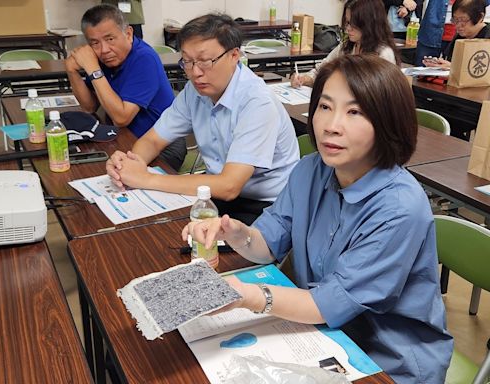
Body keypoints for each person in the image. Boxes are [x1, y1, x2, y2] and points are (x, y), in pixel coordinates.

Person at [184, 55, 453, 383]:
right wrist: (232, 231)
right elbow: (267, 243)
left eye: (354, 112)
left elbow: (329, 303)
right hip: (320, 332)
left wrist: (249, 295)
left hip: (388, 357)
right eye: (325, 107)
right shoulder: (311, 170)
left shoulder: (399, 208)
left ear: (387, 121)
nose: (331, 125)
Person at [106, 14, 299, 225]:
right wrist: (131, 164)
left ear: (234, 55)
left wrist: (146, 178)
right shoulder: (194, 91)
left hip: (268, 206)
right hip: (215, 192)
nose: (195, 73)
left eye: (205, 61)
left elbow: (229, 186)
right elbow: (152, 140)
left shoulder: (257, 102)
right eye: (187, 61)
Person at [65, 4, 186, 171]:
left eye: (110, 39)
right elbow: (89, 107)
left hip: (162, 146)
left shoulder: (144, 58)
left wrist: (93, 69)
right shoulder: (103, 59)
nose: (104, 50)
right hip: (123, 139)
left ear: (128, 34)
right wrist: (72, 71)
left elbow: (121, 118)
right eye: (95, 43)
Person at [291, 0, 399, 88]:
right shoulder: (347, 47)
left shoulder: (383, 53)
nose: (348, 28)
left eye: (354, 24)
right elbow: (323, 69)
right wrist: (304, 79)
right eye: (347, 22)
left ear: (369, 24)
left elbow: (382, 94)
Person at [416, 0, 490, 65]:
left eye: (463, 20)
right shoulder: (458, 38)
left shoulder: (487, 38)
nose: (458, 25)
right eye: (455, 20)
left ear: (480, 17)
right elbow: (450, 61)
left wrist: (452, 68)